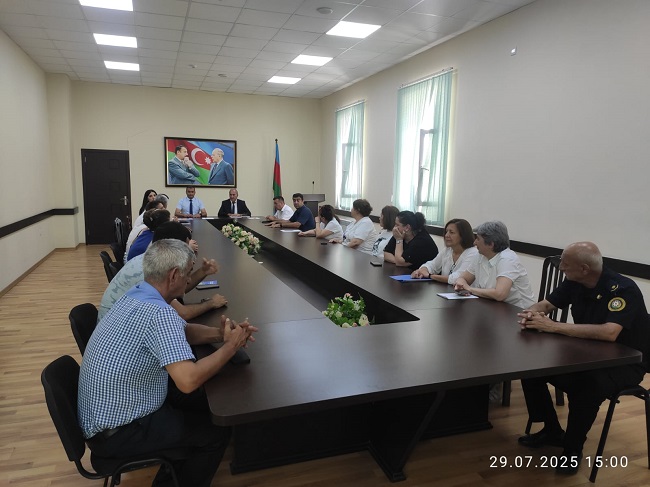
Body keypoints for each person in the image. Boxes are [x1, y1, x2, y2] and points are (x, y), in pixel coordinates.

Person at [79, 239, 257, 487]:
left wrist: (221, 335)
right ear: (174, 275)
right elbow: (188, 380)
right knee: (215, 433)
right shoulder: (159, 313)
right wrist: (231, 347)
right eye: (188, 273)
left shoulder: (138, 293)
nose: (190, 279)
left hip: (107, 414)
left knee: (203, 403)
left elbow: (183, 331)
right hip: (120, 430)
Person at [516, 242, 649, 474]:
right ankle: (552, 430)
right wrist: (532, 312)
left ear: (585, 269)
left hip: (626, 362)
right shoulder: (574, 281)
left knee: (589, 385)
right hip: (588, 353)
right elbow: (546, 304)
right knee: (531, 369)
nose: (561, 268)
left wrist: (553, 326)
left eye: (565, 265)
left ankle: (572, 449)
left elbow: (609, 332)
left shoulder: (622, 289)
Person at [99, 221, 227, 322]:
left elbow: (178, 288)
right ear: (172, 247)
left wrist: (203, 271)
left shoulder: (150, 258)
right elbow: (182, 314)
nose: (189, 252)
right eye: (186, 247)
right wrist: (211, 303)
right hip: (117, 331)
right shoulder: (150, 270)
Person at [454, 221, 535, 309]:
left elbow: (500, 294)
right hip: (494, 307)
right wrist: (461, 283)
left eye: (478, 239)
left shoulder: (508, 259)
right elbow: (464, 278)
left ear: (491, 244)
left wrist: (469, 289)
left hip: (519, 311)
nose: (474, 242)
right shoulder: (480, 256)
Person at [412, 218, 478, 284]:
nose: (446, 235)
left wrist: (430, 276)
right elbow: (432, 265)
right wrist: (423, 270)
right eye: (446, 232)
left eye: (451, 232)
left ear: (463, 236)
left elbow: (457, 278)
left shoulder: (473, 253)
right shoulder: (448, 250)